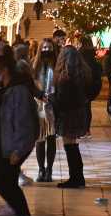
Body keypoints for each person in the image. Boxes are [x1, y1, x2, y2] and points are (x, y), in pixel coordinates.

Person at [0, 51, 41, 216]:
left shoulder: (18, 91)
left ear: (4, 70)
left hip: (14, 144)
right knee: (6, 181)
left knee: (3, 181)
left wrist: (18, 150)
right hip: (4, 143)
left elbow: (23, 122)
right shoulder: (3, 89)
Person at [54, 44, 90, 187]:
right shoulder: (83, 74)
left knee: (70, 146)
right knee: (73, 145)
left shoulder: (65, 77)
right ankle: (77, 176)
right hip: (79, 111)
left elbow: (62, 99)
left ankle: (75, 178)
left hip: (68, 114)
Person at [31, 39, 58, 181]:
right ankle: (41, 169)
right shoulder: (34, 65)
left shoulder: (57, 64)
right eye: (44, 47)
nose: (47, 50)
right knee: (40, 139)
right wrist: (39, 95)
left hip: (52, 106)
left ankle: (50, 169)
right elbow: (30, 84)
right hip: (38, 105)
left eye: (49, 47)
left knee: (51, 138)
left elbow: (59, 83)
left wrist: (53, 96)